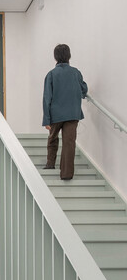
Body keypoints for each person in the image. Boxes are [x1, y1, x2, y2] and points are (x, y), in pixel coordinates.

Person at [42, 44, 88, 180]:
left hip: (55, 114)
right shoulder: (76, 72)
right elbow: (84, 89)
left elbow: (46, 98)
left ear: (55, 57)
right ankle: (67, 174)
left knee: (52, 138)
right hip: (73, 113)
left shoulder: (51, 74)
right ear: (69, 56)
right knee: (69, 143)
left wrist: (46, 119)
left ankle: (50, 164)